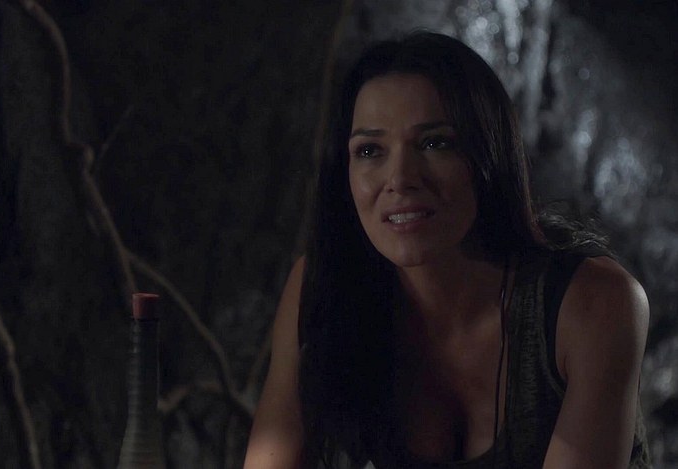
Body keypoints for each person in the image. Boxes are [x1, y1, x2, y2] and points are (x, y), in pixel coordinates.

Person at [243, 31, 650, 468]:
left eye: (435, 143)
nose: (400, 179)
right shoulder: (321, 287)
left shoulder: (591, 302)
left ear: (488, 154)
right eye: (370, 150)